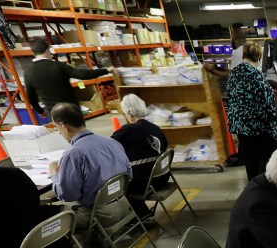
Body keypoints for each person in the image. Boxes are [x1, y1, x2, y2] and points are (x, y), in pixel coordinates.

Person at [49, 102, 133, 231]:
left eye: (57, 128)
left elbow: (68, 195)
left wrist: (55, 174)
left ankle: (87, 245)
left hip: (100, 215)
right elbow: (129, 176)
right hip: (124, 204)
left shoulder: (74, 154)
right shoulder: (112, 142)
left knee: (48, 215)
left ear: (63, 126)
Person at [226, 41, 277, 180]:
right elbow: (267, 104)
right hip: (258, 128)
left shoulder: (233, 74)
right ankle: (266, 192)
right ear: (258, 57)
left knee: (251, 164)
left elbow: (229, 97)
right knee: (269, 163)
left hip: (241, 128)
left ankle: (253, 191)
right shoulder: (256, 75)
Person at [110, 94, 169, 220]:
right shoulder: (155, 128)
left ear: (129, 114)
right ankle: (143, 213)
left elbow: (107, 147)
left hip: (147, 182)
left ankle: (140, 215)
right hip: (163, 176)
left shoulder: (128, 130)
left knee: (119, 184)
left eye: (125, 114)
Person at [24, 37, 111, 118]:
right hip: (72, 110)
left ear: (33, 53)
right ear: (48, 50)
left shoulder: (28, 72)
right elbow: (82, 75)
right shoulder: (58, 66)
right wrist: (106, 70)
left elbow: (31, 97)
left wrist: (40, 111)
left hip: (55, 113)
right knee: (80, 133)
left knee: (63, 133)